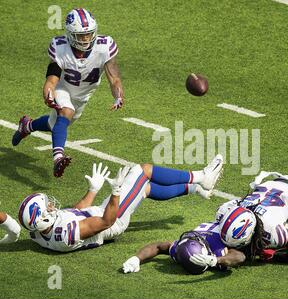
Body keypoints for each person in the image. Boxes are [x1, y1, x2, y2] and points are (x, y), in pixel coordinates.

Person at [17, 155, 223, 252]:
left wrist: (93, 189)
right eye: (48, 207)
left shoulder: (38, 231)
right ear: (43, 217)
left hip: (96, 214)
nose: (52, 206)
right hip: (112, 221)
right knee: (142, 171)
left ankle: (196, 189)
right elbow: (107, 221)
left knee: (144, 189)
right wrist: (115, 192)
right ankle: (200, 177)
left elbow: (75, 212)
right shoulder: (67, 233)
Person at [12, 8, 124, 177]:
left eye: (88, 34)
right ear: (70, 34)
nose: (86, 39)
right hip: (62, 88)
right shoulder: (60, 47)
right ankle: (58, 158)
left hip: (83, 95)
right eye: (81, 35)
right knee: (66, 112)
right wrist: (49, 94)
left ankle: (27, 125)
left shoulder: (104, 46)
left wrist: (118, 96)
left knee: (55, 124)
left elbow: (114, 78)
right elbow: (51, 80)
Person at [122, 220, 246, 275]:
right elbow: (158, 247)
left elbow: (240, 256)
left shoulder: (216, 246)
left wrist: (216, 260)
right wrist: (136, 259)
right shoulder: (181, 250)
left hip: (226, 226)